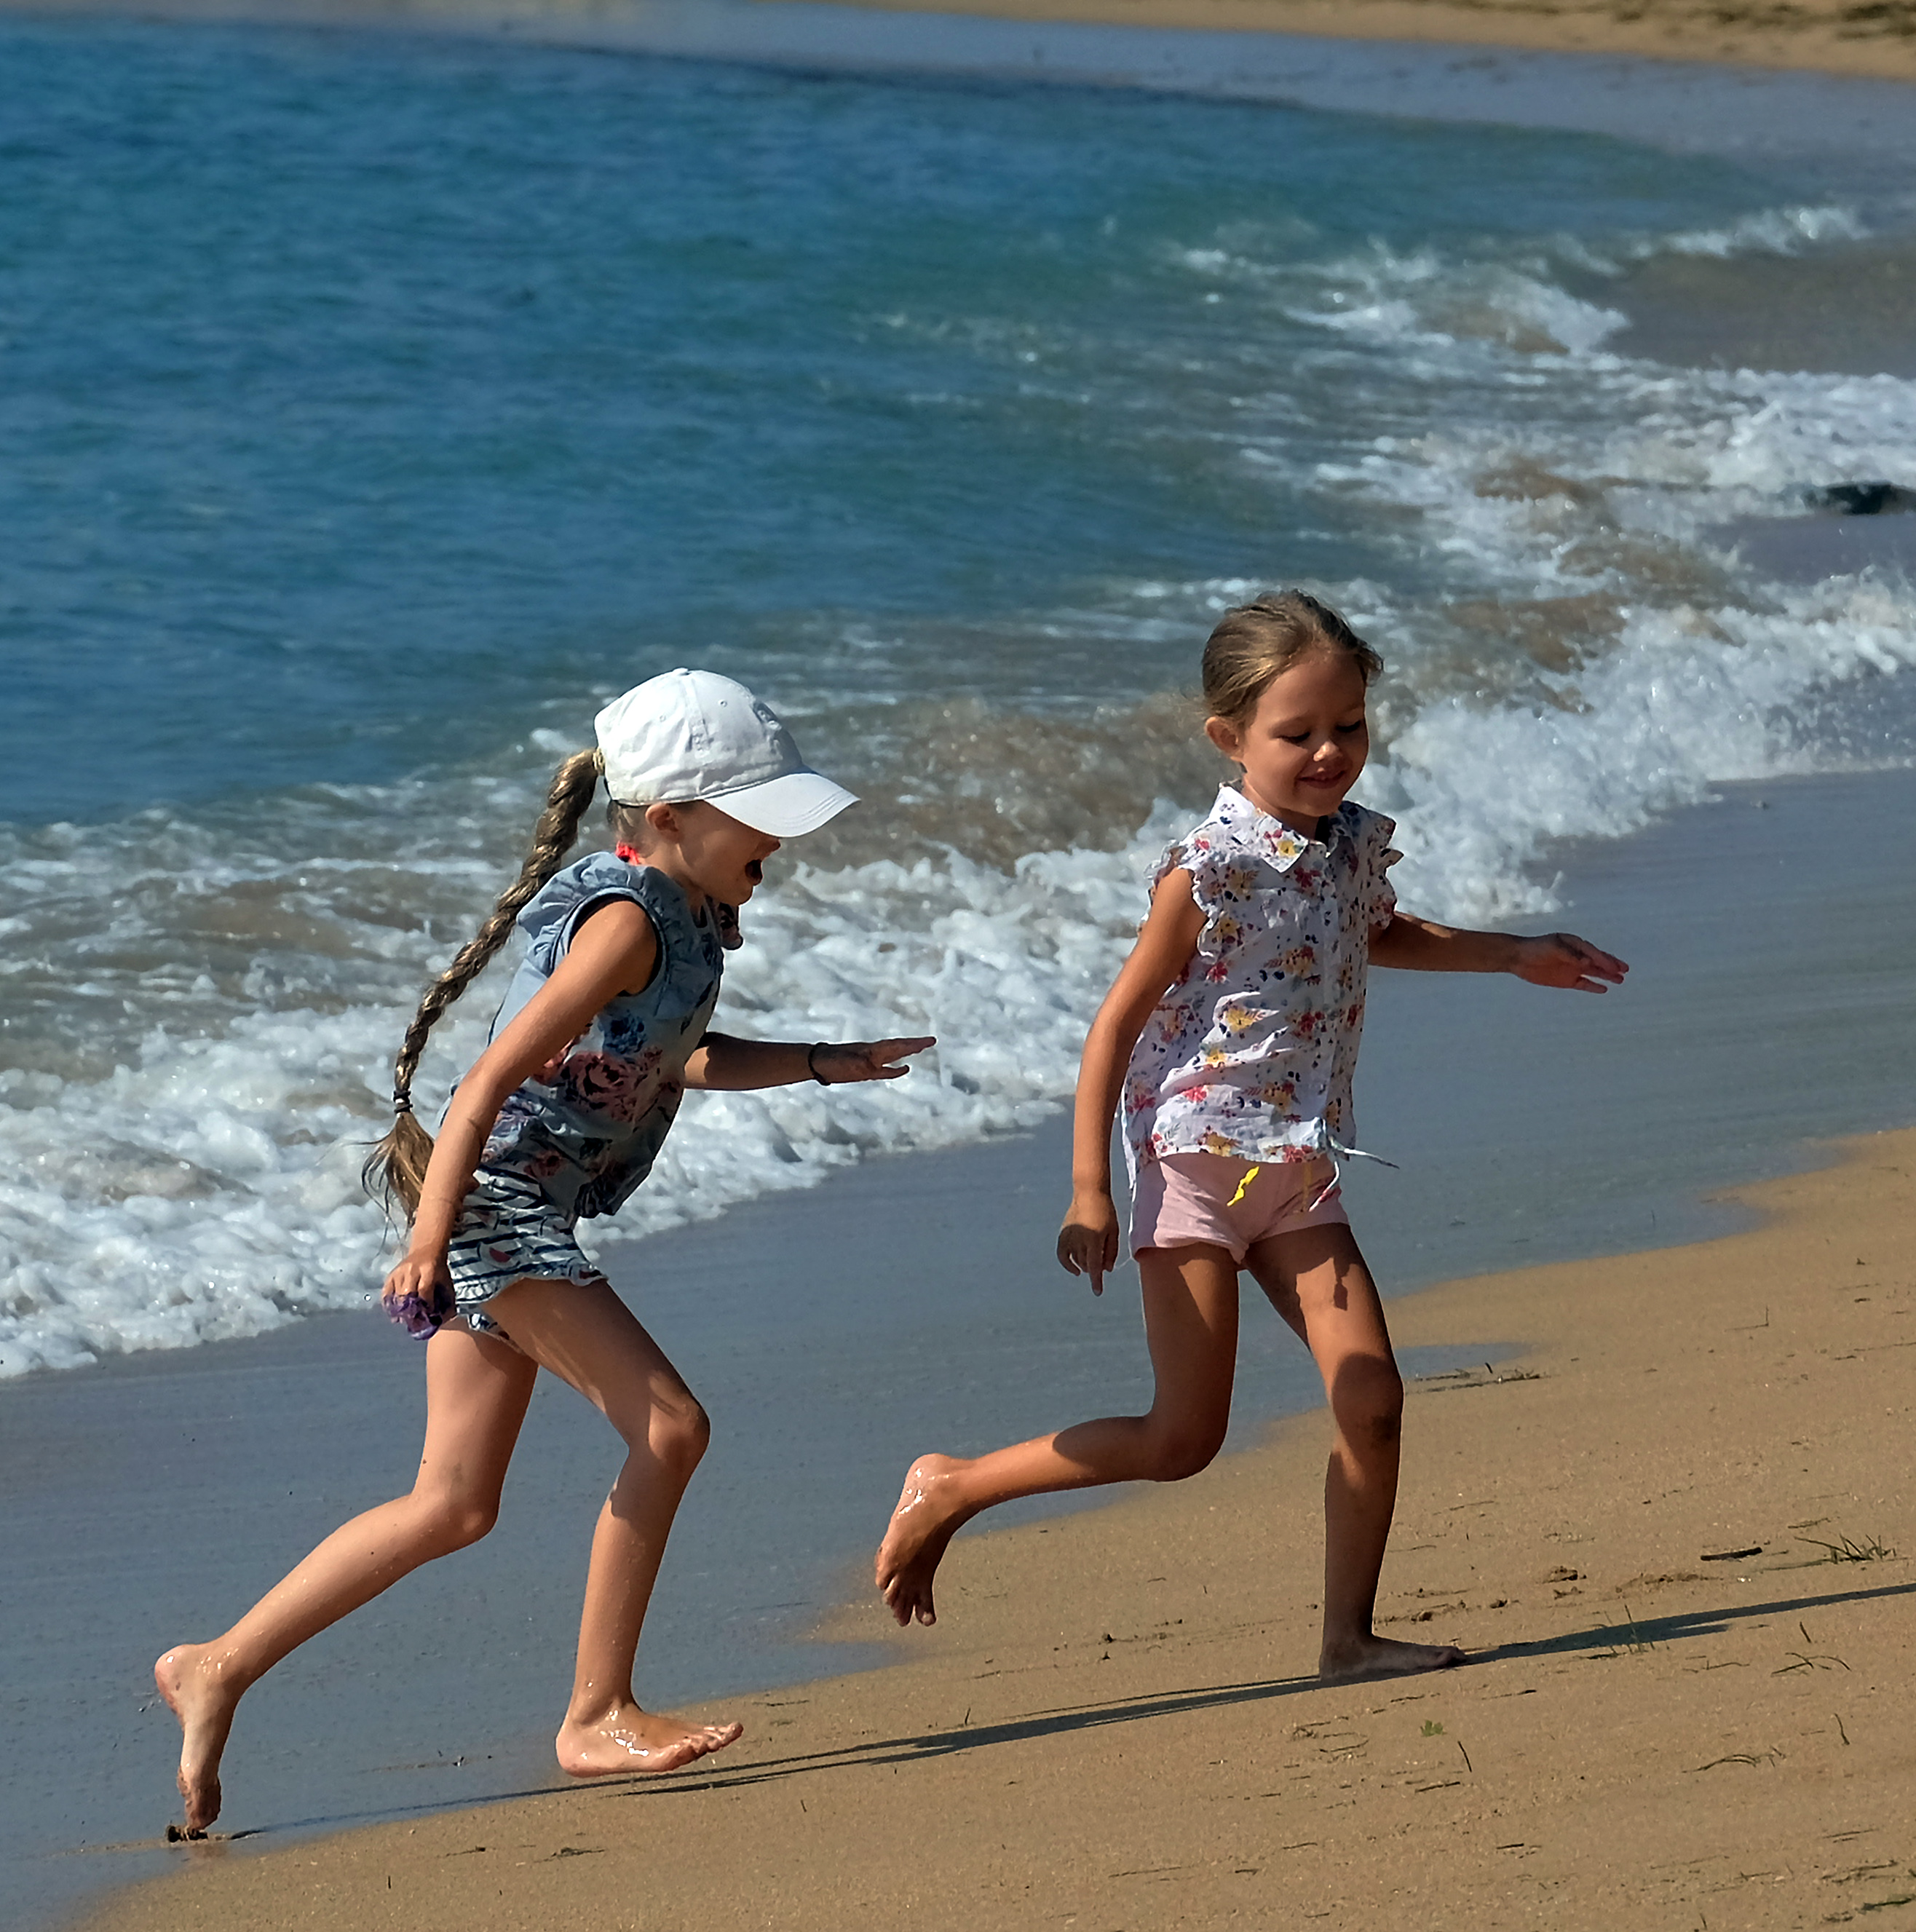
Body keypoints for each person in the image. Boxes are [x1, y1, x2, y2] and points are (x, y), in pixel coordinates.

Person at [157, 669, 933, 1835]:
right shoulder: (624, 921)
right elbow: (482, 1086)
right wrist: (429, 1242)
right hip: (492, 1208)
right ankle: (596, 1712)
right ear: (670, 818)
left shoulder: (688, 917)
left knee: (452, 1504)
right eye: (756, 815)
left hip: (515, 1210)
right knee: (671, 1426)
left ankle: (216, 1665)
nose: (778, 838)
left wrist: (824, 1059)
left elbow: (679, 1054)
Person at [872, 591, 1626, 1681]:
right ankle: (953, 1483)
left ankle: (1348, 1639)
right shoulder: (1208, 867)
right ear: (1229, 738)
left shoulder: (1353, 844)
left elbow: (1379, 933)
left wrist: (1511, 952)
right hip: (1194, 1163)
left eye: (1350, 726)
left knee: (1372, 1396)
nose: (1330, 752)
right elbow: (1116, 1023)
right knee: (1183, 1440)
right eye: (1299, 733)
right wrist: (1090, 1188)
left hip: (1300, 1162)